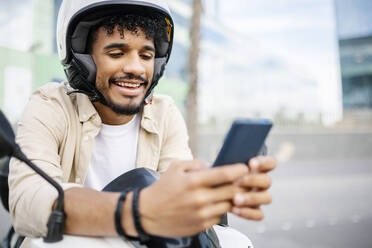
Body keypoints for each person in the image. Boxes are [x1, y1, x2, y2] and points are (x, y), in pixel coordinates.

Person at [8, 0, 276, 246]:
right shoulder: (49, 105)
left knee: (236, 241)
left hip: (143, 240)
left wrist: (215, 190)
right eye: (116, 53)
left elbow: (174, 197)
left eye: (146, 56)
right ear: (83, 59)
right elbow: (28, 202)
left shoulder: (164, 112)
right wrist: (137, 210)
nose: (136, 68)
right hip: (75, 239)